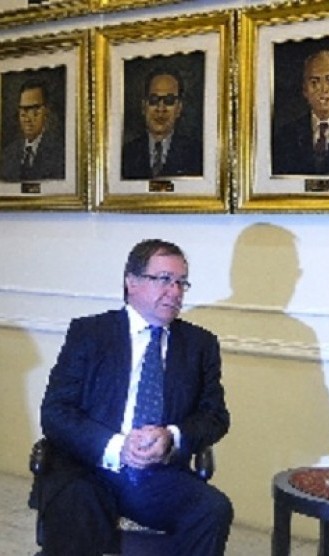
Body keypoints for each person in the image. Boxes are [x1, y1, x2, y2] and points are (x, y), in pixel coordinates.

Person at [34, 239, 232, 555]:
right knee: (78, 505)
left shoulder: (200, 344)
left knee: (213, 509)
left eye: (182, 282)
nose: (176, 291)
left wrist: (171, 436)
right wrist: (117, 447)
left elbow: (215, 416)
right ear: (132, 282)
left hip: (158, 475)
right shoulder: (90, 334)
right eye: (164, 279)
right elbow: (56, 412)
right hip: (90, 466)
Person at [121, 68, 203, 179]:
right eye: (153, 99)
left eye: (169, 100)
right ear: (144, 107)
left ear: (179, 108)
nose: (160, 109)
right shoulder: (125, 155)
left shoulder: (197, 155)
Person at [1, 78, 65, 182]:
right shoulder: (8, 155)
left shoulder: (61, 154)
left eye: (34, 110)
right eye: (23, 110)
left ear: (46, 112)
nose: (27, 118)